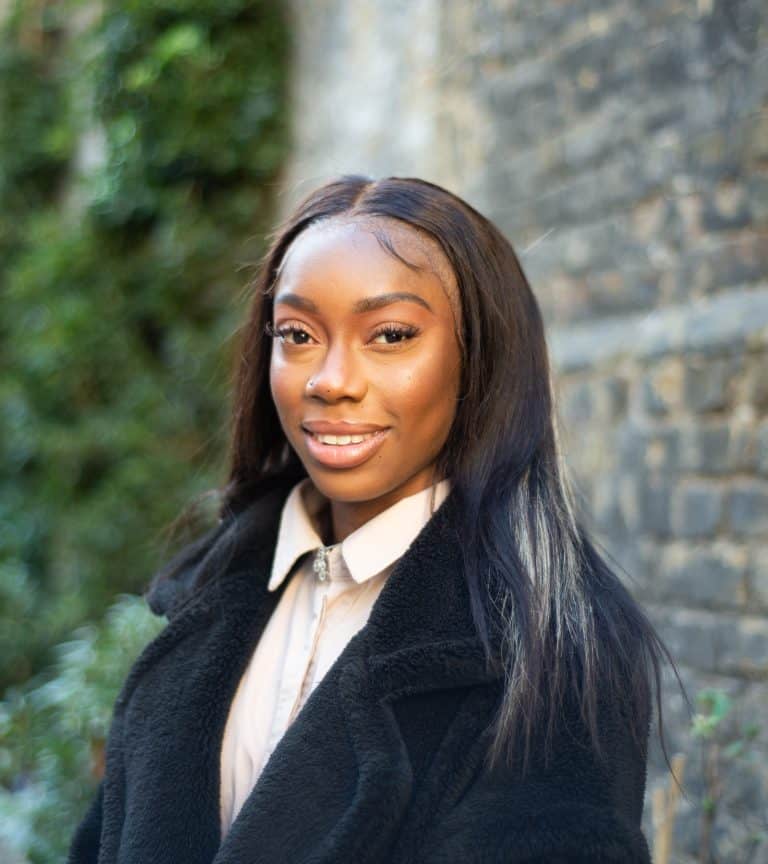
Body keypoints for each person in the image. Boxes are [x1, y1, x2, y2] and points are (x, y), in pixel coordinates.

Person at [67, 175, 672, 863]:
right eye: (297, 334)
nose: (330, 380)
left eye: (390, 335)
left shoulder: (550, 646)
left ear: (479, 359)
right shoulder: (211, 592)